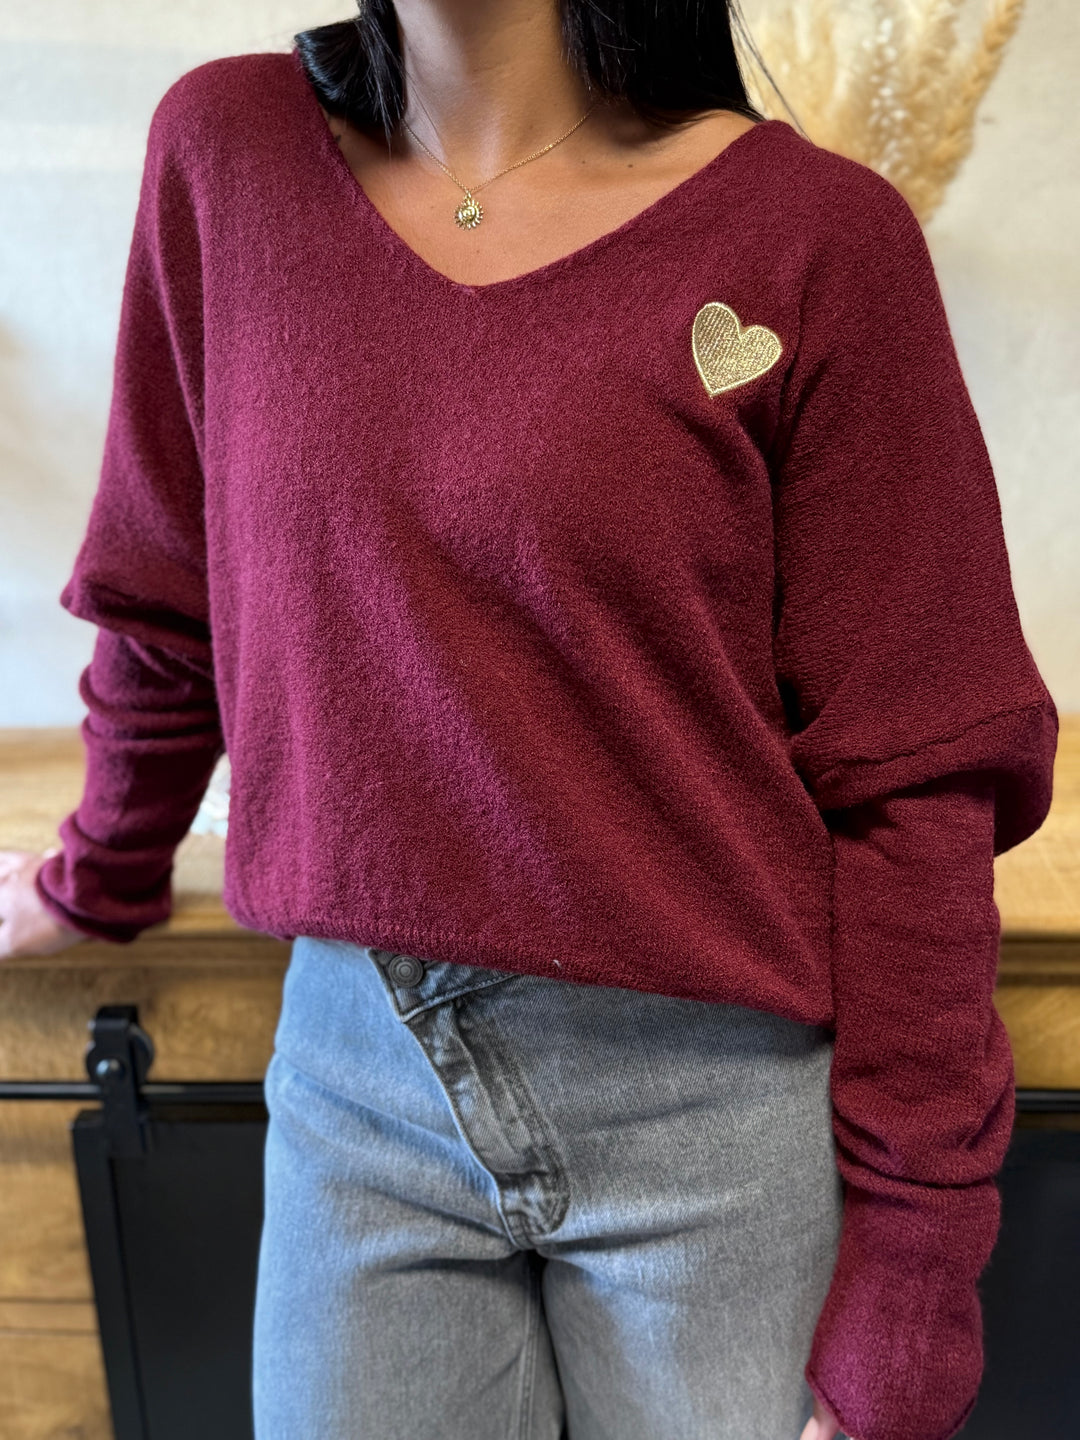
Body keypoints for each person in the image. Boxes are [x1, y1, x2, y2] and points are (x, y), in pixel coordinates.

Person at [0, 2, 1059, 1438]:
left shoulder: (821, 239)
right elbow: (166, 584)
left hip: (717, 1115)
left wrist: (914, 1275)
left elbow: (916, 776)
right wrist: (101, 867)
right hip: (357, 1086)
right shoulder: (226, 154)